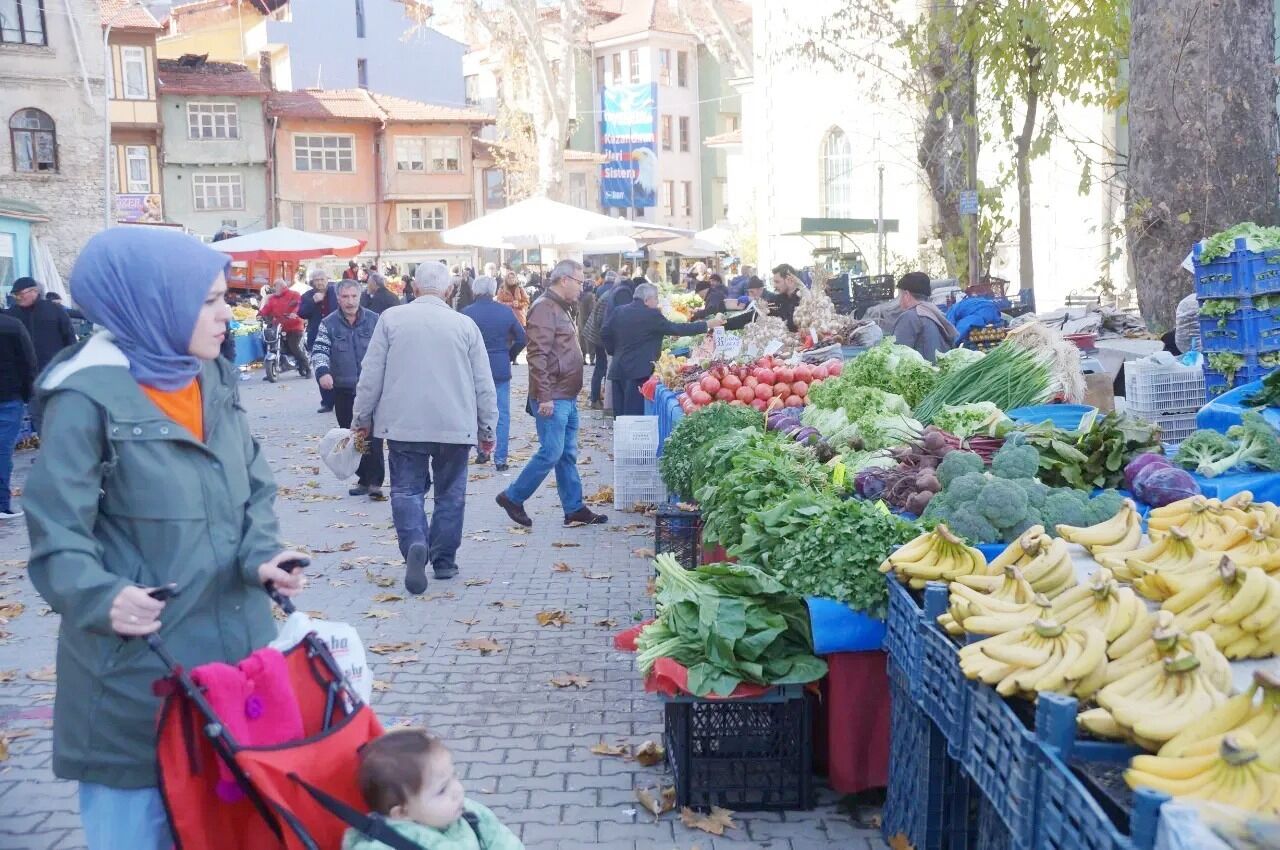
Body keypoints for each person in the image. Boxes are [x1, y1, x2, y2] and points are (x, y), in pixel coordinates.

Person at [23, 227, 306, 850]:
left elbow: (255, 486)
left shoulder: (212, 376)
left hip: (237, 666)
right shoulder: (85, 396)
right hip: (140, 679)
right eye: (208, 301)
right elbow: (56, 530)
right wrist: (100, 597)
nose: (224, 315)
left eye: (222, 298)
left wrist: (263, 554)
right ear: (152, 304)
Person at [352, 263, 497, 595]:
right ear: (449, 291)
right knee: (451, 495)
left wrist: (361, 420)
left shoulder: (390, 320)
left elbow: (370, 375)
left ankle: (415, 542)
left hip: (403, 426)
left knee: (406, 491)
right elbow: (484, 384)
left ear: (414, 288)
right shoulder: (465, 325)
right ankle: (444, 561)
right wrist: (487, 430)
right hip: (455, 426)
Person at [495, 260, 606, 530]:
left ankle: (574, 508)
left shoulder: (560, 306)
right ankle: (513, 497)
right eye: (579, 282)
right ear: (564, 280)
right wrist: (544, 396)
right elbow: (537, 355)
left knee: (566, 454)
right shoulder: (545, 307)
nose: (582, 287)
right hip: (553, 395)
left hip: (565, 393)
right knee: (552, 452)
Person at [343, 729, 522, 850]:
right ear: (402, 813)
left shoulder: (470, 814)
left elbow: (501, 840)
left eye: (454, 776)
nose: (457, 790)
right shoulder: (385, 845)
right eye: (442, 790)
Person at [314, 280, 386, 501]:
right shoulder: (328, 324)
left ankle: (375, 482)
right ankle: (363, 478)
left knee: (373, 437)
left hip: (371, 390)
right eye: (345, 297)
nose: (350, 301)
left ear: (360, 296)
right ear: (338, 298)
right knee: (353, 436)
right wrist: (323, 372)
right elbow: (319, 350)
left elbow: (388, 349)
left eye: (354, 296)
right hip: (344, 389)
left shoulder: (375, 321)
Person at [604, 283, 723, 416]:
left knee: (620, 417)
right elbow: (677, 329)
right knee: (634, 418)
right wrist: (707, 324)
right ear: (647, 300)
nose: (657, 303)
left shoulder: (619, 311)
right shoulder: (652, 315)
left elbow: (605, 333)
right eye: (656, 299)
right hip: (639, 373)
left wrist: (614, 351)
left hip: (618, 370)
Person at [462, 275, 526, 472]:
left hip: (473, 369)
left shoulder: (466, 313)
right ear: (493, 290)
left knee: (474, 411)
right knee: (502, 413)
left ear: (475, 290)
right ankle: (501, 458)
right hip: (499, 367)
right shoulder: (505, 312)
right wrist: (509, 355)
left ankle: (482, 450)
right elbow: (522, 338)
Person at [0, 312, 36, 520]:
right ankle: (1, 505)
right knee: (2, 451)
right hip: (9, 397)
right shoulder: (13, 326)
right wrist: (28, 393)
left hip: (10, 396)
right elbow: (28, 361)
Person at [5, 276, 76, 375]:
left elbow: (69, 337)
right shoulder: (12, 314)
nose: (18, 297)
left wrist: (71, 362)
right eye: (15, 295)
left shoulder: (54, 309)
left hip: (53, 368)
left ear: (34, 291)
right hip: (23, 371)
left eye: (21, 294)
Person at [892, 272, 957, 362]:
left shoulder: (909, 317)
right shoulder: (935, 313)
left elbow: (897, 356)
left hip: (925, 370)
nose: (899, 301)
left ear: (906, 295)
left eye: (900, 295)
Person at [298, 268, 338, 412]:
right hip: (316, 336)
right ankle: (327, 402)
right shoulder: (307, 296)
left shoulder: (336, 291)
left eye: (322, 279)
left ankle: (341, 399)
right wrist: (313, 302)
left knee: (339, 368)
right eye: (317, 280)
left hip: (337, 335)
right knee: (321, 367)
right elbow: (301, 313)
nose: (320, 282)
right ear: (312, 282)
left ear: (327, 280)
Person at [257, 277, 311, 379]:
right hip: (279, 327)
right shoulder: (272, 298)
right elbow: (267, 308)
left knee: (294, 346)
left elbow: (298, 305)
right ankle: (271, 370)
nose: (273, 288)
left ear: (282, 286)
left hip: (294, 326)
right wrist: (260, 314)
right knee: (273, 346)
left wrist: (294, 313)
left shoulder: (294, 294)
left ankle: (308, 369)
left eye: (275, 286)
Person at [581, 271, 618, 410]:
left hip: (596, 334)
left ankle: (596, 396)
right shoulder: (610, 296)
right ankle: (595, 398)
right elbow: (603, 321)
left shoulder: (607, 293)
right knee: (601, 367)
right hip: (599, 337)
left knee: (600, 367)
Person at [768, 264, 805, 331]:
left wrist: (792, 292)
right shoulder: (776, 299)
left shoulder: (804, 300)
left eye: (777, 282)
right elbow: (770, 321)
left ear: (789, 280)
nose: (774, 286)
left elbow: (793, 324)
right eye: (774, 282)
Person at [577, 274, 599, 364]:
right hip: (589, 320)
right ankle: (592, 359)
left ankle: (583, 358)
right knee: (590, 340)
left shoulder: (580, 296)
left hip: (580, 319)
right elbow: (593, 309)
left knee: (581, 339)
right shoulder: (590, 296)